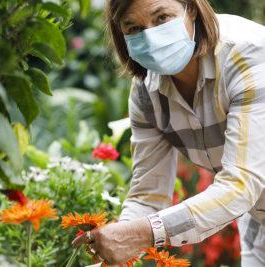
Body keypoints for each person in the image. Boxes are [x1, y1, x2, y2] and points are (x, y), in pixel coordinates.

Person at [73, 0, 265, 266]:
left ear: (192, 9)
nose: (150, 37)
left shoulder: (249, 56)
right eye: (134, 27)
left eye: (162, 18)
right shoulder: (146, 91)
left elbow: (240, 185)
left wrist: (141, 234)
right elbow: (147, 195)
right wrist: (117, 250)